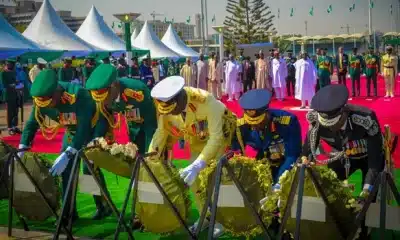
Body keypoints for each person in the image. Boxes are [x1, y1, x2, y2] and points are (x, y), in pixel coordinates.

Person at [19, 69, 112, 223]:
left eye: (50, 101)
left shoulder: (78, 95)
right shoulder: (42, 97)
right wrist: (22, 149)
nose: (49, 106)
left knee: (89, 170)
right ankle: (68, 213)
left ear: (57, 91)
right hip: (72, 130)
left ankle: (103, 206)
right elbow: (31, 124)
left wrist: (68, 154)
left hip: (93, 127)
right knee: (66, 170)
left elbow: (84, 129)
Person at [149, 76, 236, 237]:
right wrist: (150, 158)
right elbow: (161, 132)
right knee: (194, 182)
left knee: (216, 178)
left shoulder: (206, 101)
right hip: (196, 141)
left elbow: (216, 138)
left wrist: (199, 164)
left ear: (181, 99)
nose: (169, 113)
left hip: (220, 138)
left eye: (172, 109)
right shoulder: (166, 106)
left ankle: (222, 220)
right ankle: (205, 217)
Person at [301, 84, 384, 239]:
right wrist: (305, 159)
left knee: (368, 199)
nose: (332, 128)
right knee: (329, 189)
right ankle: (335, 224)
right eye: (328, 125)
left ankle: (364, 230)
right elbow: (308, 148)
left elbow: (374, 160)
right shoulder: (316, 119)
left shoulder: (365, 118)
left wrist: (366, 190)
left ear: (344, 112)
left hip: (367, 158)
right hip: (340, 157)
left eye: (335, 124)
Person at [231, 89, 301, 184]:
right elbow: (237, 154)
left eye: (259, 122)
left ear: (267, 114)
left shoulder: (287, 122)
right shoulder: (242, 125)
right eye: (251, 123)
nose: (255, 126)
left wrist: (279, 182)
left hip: (284, 163)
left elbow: (292, 155)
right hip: (261, 162)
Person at [0, 59, 21, 135]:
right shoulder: (3, 73)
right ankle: (9, 128)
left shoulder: (14, 72)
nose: (13, 66)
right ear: (7, 64)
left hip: (15, 94)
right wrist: (14, 84)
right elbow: (4, 85)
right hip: (8, 95)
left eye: (13, 64)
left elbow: (15, 81)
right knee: (10, 112)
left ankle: (15, 127)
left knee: (16, 111)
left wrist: (18, 83)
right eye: (11, 64)